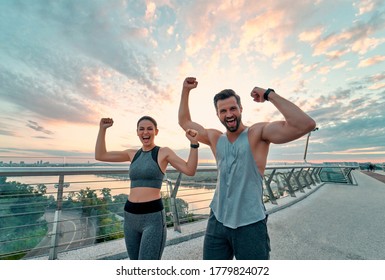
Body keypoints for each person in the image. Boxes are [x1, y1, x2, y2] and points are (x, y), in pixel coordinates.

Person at [178, 77, 316, 260]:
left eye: (233, 108)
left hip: (250, 225)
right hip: (217, 222)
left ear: (241, 109)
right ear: (218, 115)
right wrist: (185, 90)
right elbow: (184, 122)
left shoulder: (257, 133)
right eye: (223, 110)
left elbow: (305, 124)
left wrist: (269, 94)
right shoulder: (215, 138)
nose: (229, 114)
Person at [95, 116, 199, 260]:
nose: (145, 132)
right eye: (141, 129)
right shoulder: (132, 154)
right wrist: (102, 129)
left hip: (152, 218)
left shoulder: (163, 152)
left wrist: (194, 144)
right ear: (137, 132)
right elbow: (101, 155)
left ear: (156, 131)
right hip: (130, 217)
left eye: (149, 129)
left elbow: (190, 170)